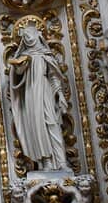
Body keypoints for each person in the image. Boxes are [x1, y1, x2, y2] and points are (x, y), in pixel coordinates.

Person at [8, 21, 68, 170]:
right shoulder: (24, 56)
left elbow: (54, 77)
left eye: (31, 35)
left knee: (52, 124)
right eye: (26, 36)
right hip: (30, 94)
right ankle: (45, 162)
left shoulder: (45, 55)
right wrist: (19, 67)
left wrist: (60, 96)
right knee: (37, 127)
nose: (29, 39)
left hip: (45, 92)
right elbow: (18, 76)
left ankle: (61, 162)